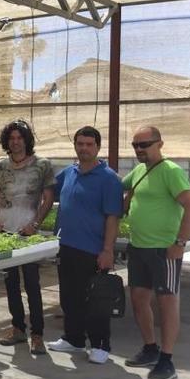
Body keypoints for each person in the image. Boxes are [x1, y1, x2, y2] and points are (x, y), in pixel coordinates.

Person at [122, 126, 190, 379]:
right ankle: (150, 349)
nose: (139, 150)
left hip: (163, 250)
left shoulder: (171, 171)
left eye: (145, 144)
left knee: (167, 303)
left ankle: (167, 360)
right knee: (139, 299)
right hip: (139, 247)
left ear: (160, 144)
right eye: (135, 145)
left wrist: (180, 242)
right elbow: (118, 186)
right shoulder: (139, 171)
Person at [48, 126, 123, 364]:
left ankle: (101, 344)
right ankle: (74, 339)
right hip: (66, 245)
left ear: (98, 147)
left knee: (95, 300)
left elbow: (113, 216)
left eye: (89, 144)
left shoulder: (109, 179)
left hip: (92, 249)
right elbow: (49, 187)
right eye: (80, 144)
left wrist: (108, 250)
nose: (84, 148)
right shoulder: (69, 172)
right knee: (69, 297)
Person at [0, 120, 55, 355]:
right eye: (11, 138)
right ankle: (18, 327)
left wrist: (35, 224)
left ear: (27, 140)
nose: (15, 142)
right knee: (10, 283)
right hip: (5, 232)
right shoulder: (0, 167)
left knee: (32, 283)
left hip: (28, 232)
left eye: (20, 137)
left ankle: (37, 334)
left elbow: (48, 199)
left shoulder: (42, 165)